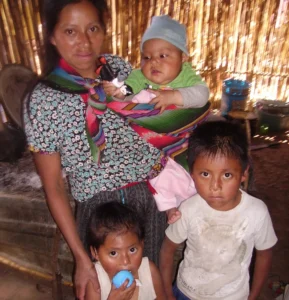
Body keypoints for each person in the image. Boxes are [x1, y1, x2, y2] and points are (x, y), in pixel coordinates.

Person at [23, 1, 168, 299]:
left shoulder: (120, 70)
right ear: (52, 36)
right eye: (70, 31)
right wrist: (80, 257)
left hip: (148, 200)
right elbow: (53, 186)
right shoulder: (43, 101)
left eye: (92, 28)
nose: (85, 41)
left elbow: (152, 125)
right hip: (98, 217)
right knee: (104, 291)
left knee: (148, 287)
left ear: (104, 29)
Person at [103, 15, 210, 224]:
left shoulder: (187, 76)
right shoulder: (140, 76)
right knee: (157, 174)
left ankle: (194, 201)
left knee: (191, 170)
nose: (154, 63)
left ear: (183, 58)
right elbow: (128, 91)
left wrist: (174, 97)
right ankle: (170, 209)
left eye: (163, 55)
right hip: (153, 144)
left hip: (182, 140)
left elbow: (202, 95)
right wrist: (117, 91)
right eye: (147, 57)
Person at [160, 121, 278, 300]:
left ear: (244, 173)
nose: (215, 186)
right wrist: (168, 294)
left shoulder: (257, 212)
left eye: (227, 175)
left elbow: (264, 254)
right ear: (192, 173)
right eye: (205, 174)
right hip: (187, 294)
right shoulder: (189, 209)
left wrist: (253, 296)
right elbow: (168, 249)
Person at [85, 201, 166, 299]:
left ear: (142, 244)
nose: (125, 261)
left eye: (132, 250)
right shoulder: (95, 282)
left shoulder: (150, 272)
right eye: (113, 253)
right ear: (95, 253)